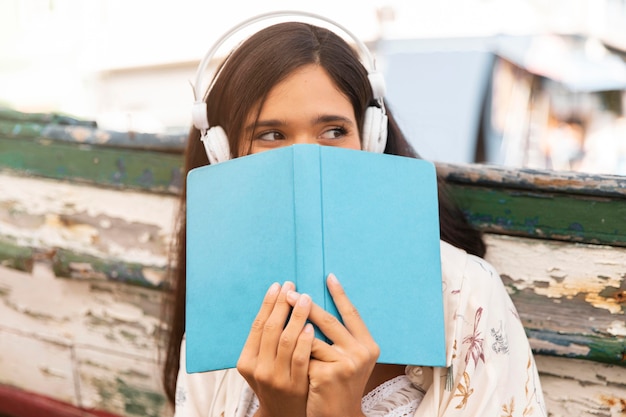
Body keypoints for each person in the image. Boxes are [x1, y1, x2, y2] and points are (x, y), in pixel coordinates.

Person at [162, 12, 547, 417]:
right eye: (271, 135)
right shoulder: (218, 303)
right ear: (223, 154)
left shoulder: (467, 292)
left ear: (370, 136)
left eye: (333, 131)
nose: (307, 157)